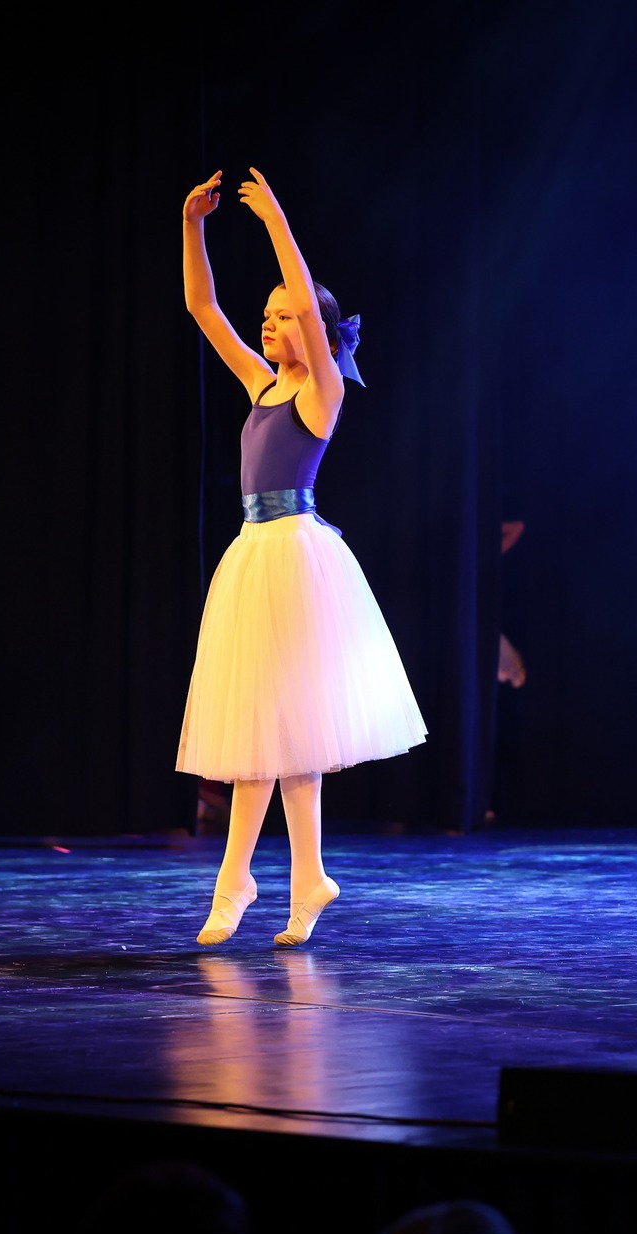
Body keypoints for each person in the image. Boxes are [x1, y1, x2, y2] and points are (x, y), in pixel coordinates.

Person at [176, 167, 426, 948]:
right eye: (268, 315)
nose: (270, 324)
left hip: (296, 557)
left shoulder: (322, 395)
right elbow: (203, 308)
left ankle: (238, 880)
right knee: (278, 729)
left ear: (314, 329)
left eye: (285, 316)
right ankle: (304, 874)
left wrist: (277, 223)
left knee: (276, 729)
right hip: (254, 553)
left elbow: (312, 320)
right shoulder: (260, 385)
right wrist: (193, 226)